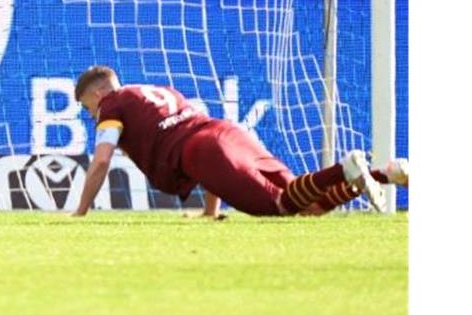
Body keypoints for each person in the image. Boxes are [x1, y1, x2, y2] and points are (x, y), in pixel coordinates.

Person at [68, 66, 408, 218]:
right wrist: (210, 211)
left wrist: (80, 211)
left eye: (87, 108)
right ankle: (383, 173)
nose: (92, 115)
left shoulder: (111, 105)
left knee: (281, 206)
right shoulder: (156, 91)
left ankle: (344, 168)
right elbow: (197, 150)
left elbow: (102, 160)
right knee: (308, 205)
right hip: (226, 133)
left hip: (204, 150)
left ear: (97, 94)